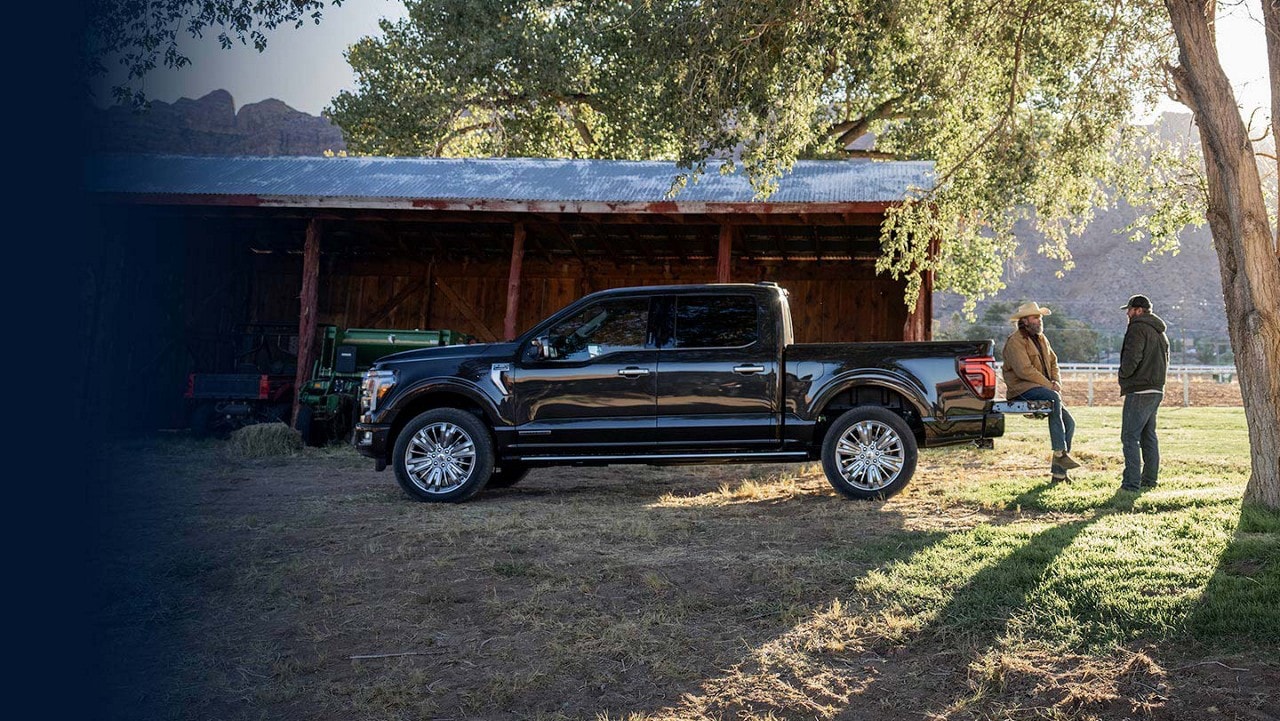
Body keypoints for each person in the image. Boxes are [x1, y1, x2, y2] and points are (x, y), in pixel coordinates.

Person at [1001, 301, 1080, 480]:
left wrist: (1056, 381)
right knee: (1053, 397)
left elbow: (1053, 362)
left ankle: (1059, 475)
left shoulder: (1042, 338)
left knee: (1070, 423)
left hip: (1043, 388)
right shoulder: (1015, 341)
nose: (1039, 320)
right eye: (1035, 317)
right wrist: (1050, 385)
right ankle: (1060, 452)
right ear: (1025, 321)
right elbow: (1024, 370)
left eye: (1040, 317)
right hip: (1022, 390)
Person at [1118, 294, 1170, 491]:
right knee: (1149, 435)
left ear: (1138, 310)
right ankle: (1149, 480)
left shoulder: (1137, 327)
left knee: (1130, 437)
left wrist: (1123, 374)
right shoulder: (1160, 332)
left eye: (1130, 310)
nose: (1128, 314)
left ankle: (1130, 484)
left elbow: (1132, 357)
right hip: (1156, 388)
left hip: (1139, 389)